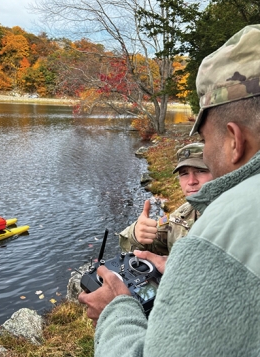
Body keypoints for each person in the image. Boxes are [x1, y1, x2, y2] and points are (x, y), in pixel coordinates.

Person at [78, 24, 260, 356]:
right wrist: (140, 234)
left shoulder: (225, 228)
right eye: (184, 173)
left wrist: (115, 310)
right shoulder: (188, 215)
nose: (194, 177)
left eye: (206, 141)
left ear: (235, 140)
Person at [119, 142, 212, 257]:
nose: (191, 181)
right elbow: (137, 245)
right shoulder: (179, 217)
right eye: (184, 174)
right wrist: (136, 234)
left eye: (201, 171)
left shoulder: (235, 216)